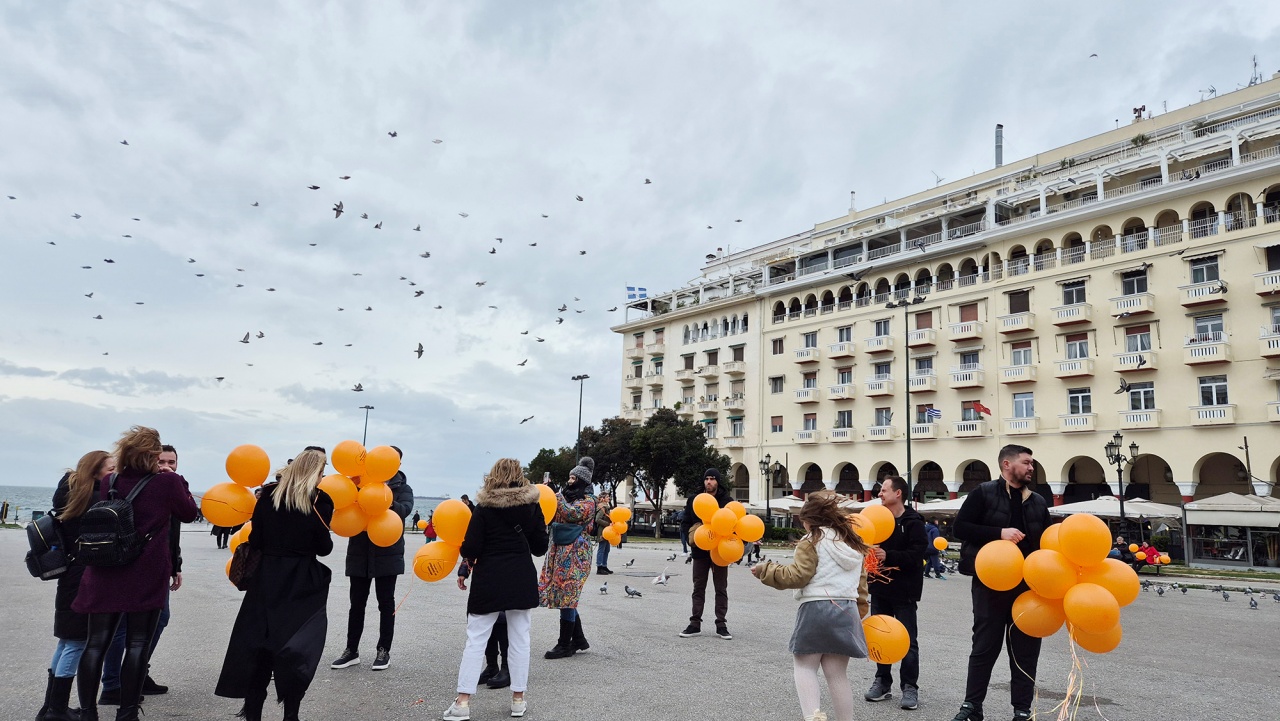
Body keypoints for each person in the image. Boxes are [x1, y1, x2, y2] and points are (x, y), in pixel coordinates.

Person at [74, 426, 198, 721]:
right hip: (145, 571)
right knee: (138, 643)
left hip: (106, 568)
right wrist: (176, 479)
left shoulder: (111, 480)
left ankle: (88, 713)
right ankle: (127, 712)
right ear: (153, 455)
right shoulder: (167, 482)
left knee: (96, 643)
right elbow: (189, 513)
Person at [215, 447, 334, 721]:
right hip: (301, 581)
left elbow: (255, 540)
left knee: (257, 646)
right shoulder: (320, 500)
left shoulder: (269, 494)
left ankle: (253, 713)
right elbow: (324, 548)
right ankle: (291, 714)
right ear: (317, 472)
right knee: (297, 648)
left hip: (266, 579)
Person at [950, 444, 1050, 721]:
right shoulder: (983, 493)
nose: (1031, 468)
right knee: (984, 647)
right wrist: (999, 533)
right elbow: (960, 528)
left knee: (1026, 651)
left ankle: (1022, 710)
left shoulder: (1038, 501)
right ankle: (972, 706)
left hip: (1029, 588)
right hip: (990, 584)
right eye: (1026, 462)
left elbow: (1047, 544)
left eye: (1032, 463)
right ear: (1007, 464)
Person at [751, 491, 871, 721]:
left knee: (805, 667)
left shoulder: (812, 540)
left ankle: (813, 717)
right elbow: (861, 585)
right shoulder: (852, 544)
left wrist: (766, 570)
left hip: (816, 607)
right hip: (847, 610)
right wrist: (859, 611)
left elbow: (798, 575)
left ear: (809, 520)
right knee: (837, 674)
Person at [444, 458, 549, 721]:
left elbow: (471, 547)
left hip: (489, 577)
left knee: (476, 639)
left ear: (493, 475)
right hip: (520, 576)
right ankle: (518, 700)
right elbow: (540, 548)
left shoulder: (483, 507)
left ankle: (462, 702)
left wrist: (465, 561)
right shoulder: (532, 506)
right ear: (519, 475)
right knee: (520, 639)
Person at [100, 445, 183, 705]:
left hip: (159, 566)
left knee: (160, 620)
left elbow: (173, 531)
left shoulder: (170, 487)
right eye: (162, 461)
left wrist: (176, 565)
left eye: (172, 462)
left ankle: (136, 672)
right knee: (122, 627)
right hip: (131, 564)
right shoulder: (146, 486)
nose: (167, 466)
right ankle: (113, 684)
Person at [36, 451, 114, 721]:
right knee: (76, 643)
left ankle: (50, 707)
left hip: (69, 574)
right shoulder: (94, 499)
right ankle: (57, 710)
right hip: (83, 575)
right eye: (110, 469)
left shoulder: (70, 493)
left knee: (66, 641)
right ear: (95, 471)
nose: (114, 474)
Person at [330, 447, 414, 671]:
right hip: (359, 552)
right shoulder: (360, 482)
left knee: (386, 604)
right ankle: (351, 650)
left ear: (398, 464)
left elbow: (404, 511)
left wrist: (382, 498)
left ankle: (383, 650)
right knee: (356, 604)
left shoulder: (402, 488)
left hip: (388, 553)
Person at [863, 476, 928, 711]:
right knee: (879, 636)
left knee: (908, 640)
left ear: (898, 493)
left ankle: (909, 687)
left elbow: (917, 555)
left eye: (884, 490)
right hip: (879, 589)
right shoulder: (875, 520)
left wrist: (888, 556)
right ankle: (882, 682)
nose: (879, 494)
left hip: (905, 591)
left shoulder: (913, 522)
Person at [538, 458, 597, 659]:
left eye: (573, 478)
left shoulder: (589, 501)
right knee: (566, 596)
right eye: (569, 477)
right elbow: (552, 515)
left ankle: (564, 644)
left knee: (569, 595)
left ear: (582, 481)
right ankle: (578, 639)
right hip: (560, 552)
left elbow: (572, 514)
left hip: (577, 555)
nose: (570, 481)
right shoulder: (566, 497)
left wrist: (556, 496)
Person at [679, 468, 734, 640]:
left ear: (718, 481)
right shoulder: (695, 500)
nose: (709, 482)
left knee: (721, 588)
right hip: (700, 550)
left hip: (720, 551)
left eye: (712, 479)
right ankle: (695, 623)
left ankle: (721, 624)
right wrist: (691, 537)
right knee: (698, 588)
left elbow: (734, 524)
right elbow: (685, 522)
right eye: (707, 479)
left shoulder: (727, 501)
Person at [457, 559, 511, 689]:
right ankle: (491, 666)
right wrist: (464, 571)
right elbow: (471, 548)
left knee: (502, 620)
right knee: (485, 618)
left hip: (507, 571)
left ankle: (507, 668)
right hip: (484, 575)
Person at [593, 493, 613, 575]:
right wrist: (608, 524)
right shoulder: (602, 507)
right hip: (602, 531)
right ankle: (599, 567)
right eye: (607, 497)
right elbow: (597, 519)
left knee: (607, 549)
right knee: (602, 549)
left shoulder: (606, 506)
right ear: (603, 498)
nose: (609, 498)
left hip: (608, 531)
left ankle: (604, 566)